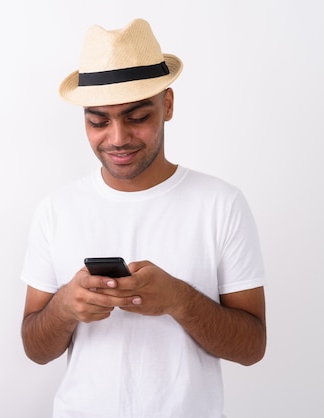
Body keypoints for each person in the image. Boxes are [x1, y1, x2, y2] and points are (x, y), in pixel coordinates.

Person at [19, 18, 266, 418]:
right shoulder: (55, 210)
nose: (117, 138)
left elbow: (253, 347)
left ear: (167, 104)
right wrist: (65, 305)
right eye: (98, 121)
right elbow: (34, 348)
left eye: (136, 117)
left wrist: (178, 300)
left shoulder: (221, 204)